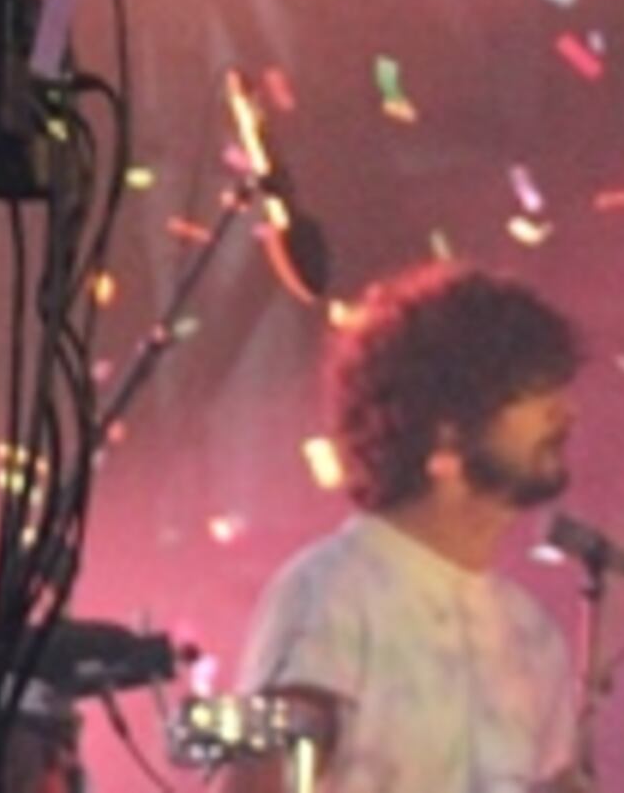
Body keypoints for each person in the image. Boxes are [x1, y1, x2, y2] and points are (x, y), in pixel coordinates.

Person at [228, 262, 591, 793]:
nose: (565, 413)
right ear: (446, 427)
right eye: (533, 392)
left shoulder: (533, 635)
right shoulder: (334, 593)